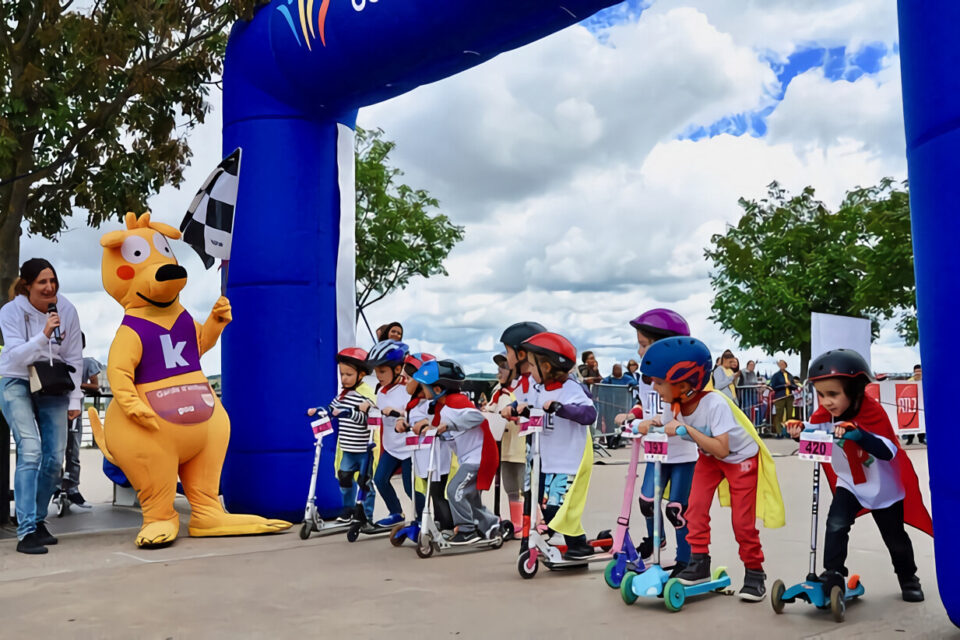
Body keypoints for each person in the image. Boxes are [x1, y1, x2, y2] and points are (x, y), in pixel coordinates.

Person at [642, 336, 785, 601]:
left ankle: (754, 572)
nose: (654, 387)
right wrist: (642, 423)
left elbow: (722, 448)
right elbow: (664, 425)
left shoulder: (715, 404)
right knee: (693, 508)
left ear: (684, 384)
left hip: (739, 458)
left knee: (742, 523)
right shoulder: (672, 404)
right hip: (710, 458)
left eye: (660, 382)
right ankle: (699, 563)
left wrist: (687, 430)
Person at [786, 349, 931, 602]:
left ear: (853, 391)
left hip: (883, 489)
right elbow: (814, 445)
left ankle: (909, 578)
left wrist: (860, 436)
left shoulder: (872, 413)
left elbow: (888, 452)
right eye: (821, 394)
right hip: (850, 484)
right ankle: (833, 573)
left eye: (833, 394)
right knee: (836, 525)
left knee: (895, 538)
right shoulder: (824, 416)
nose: (826, 402)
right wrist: (800, 433)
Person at [0, 258, 83, 554]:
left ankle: (36, 521)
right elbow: (13, 357)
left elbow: (74, 357)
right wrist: (43, 335)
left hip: (52, 382)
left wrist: (75, 400)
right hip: (15, 380)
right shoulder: (10, 312)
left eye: (53, 281)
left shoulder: (68, 310)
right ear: (27, 286)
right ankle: (25, 532)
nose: (50, 288)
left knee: (54, 458)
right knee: (30, 449)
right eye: (42, 283)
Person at [614, 308, 698, 571]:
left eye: (644, 345)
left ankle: (687, 559)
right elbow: (647, 407)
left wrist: (656, 422)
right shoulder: (645, 378)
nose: (639, 353)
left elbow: (673, 415)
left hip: (682, 453)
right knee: (647, 502)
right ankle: (655, 542)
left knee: (677, 510)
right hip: (656, 451)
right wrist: (634, 414)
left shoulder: (685, 381)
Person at [520, 331, 598, 560]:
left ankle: (579, 544)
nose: (529, 372)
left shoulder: (571, 389)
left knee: (559, 506)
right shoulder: (538, 389)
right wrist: (518, 409)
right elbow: (533, 409)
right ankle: (567, 539)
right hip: (546, 458)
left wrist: (559, 408)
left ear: (546, 367)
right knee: (545, 505)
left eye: (532, 367)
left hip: (568, 459)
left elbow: (588, 414)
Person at [412, 359, 499, 544]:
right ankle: (491, 526)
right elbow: (439, 427)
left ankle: (467, 530)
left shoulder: (456, 402)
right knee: (469, 497)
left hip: (479, 456)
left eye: (424, 387)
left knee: (454, 490)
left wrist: (450, 425)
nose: (421, 390)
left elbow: (477, 417)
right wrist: (426, 428)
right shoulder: (441, 407)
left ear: (437, 389)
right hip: (469, 458)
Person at [308, 348, 377, 522]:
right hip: (348, 448)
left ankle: (366, 514)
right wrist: (319, 410)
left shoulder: (365, 396)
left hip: (363, 450)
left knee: (365, 482)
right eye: (342, 374)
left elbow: (367, 417)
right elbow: (332, 409)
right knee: (344, 480)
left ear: (361, 374)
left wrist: (348, 413)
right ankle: (348, 509)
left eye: (348, 374)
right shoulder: (343, 396)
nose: (344, 378)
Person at [363, 340, 413, 527]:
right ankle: (396, 513)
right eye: (376, 372)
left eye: (382, 371)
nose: (378, 376)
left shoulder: (407, 390)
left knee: (410, 488)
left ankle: (426, 518)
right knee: (380, 479)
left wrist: (399, 413)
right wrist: (370, 407)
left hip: (408, 448)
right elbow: (380, 409)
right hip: (392, 447)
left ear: (398, 368)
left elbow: (415, 413)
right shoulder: (381, 391)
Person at [403, 353, 453, 531]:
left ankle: (446, 527)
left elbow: (438, 423)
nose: (406, 382)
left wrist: (425, 425)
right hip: (421, 453)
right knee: (428, 492)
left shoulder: (432, 403)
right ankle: (432, 524)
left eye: (409, 378)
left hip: (436, 454)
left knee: (437, 493)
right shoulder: (414, 403)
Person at [55, 332, 102, 511]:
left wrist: (74, 383)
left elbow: (95, 386)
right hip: (57, 411)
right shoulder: (58, 362)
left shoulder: (87, 362)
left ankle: (72, 488)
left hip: (75, 413)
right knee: (55, 453)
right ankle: (57, 488)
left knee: (73, 452)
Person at [485, 352, 525, 534]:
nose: (500, 371)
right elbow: (492, 409)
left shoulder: (521, 389)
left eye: (504, 367)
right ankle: (516, 523)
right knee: (509, 485)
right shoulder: (497, 391)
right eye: (499, 367)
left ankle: (533, 522)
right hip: (504, 443)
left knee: (524, 485)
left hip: (520, 444)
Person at [769, 359, 799, 437]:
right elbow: (772, 386)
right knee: (779, 415)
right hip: (780, 397)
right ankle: (779, 432)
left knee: (790, 415)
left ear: (786, 365)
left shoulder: (789, 375)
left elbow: (795, 386)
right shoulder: (776, 375)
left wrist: (790, 385)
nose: (782, 365)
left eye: (783, 364)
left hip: (789, 397)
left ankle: (789, 432)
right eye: (780, 364)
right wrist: (783, 386)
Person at [903, 364, 925, 445]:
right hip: (912, 405)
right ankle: (910, 439)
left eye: (920, 371)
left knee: (922, 421)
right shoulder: (909, 381)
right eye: (916, 371)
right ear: (914, 372)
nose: (918, 373)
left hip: (921, 404)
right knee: (911, 422)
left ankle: (921, 439)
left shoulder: (924, 380)